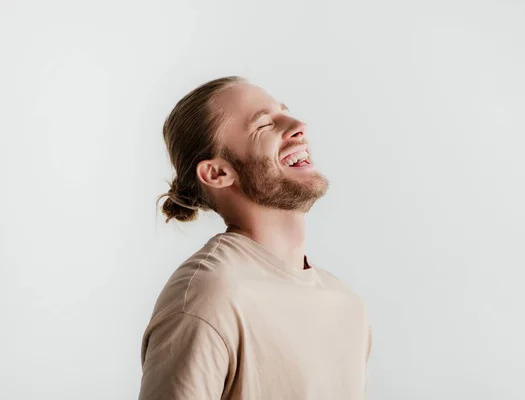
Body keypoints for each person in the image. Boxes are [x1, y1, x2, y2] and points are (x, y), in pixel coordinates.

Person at [138, 76, 372, 399]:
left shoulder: (349, 307)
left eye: (286, 112)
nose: (299, 125)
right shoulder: (209, 296)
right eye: (263, 125)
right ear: (218, 173)